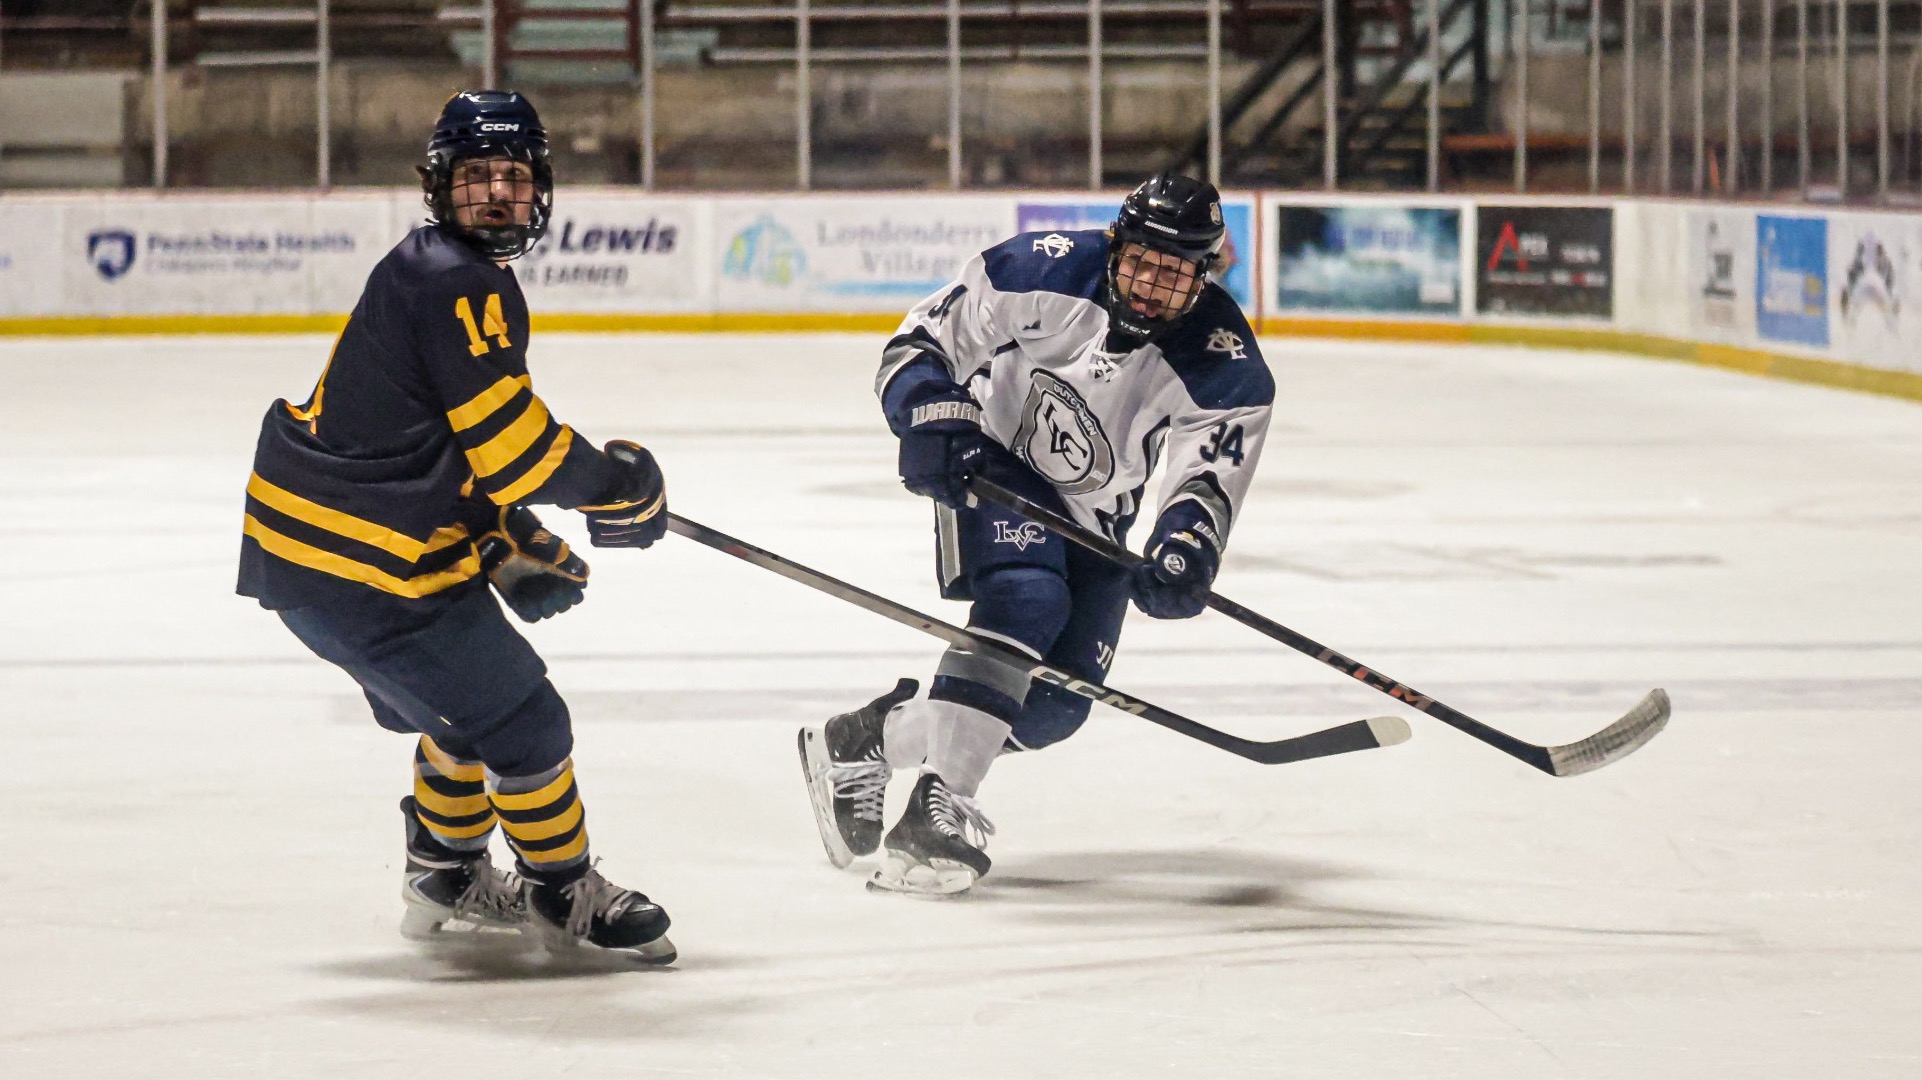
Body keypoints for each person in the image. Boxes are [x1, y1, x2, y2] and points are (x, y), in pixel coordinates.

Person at [237, 90, 676, 961]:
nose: (498, 194)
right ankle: (563, 891)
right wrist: (614, 486)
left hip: (333, 552)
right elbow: (512, 448)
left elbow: (432, 440)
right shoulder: (454, 279)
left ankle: (443, 871)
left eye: (513, 176)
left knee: (466, 715)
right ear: (440, 184)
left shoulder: (434, 266)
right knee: (528, 722)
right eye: (478, 176)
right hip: (365, 566)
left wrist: (490, 531)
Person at [798, 173, 1275, 896]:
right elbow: (921, 341)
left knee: (1054, 707)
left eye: (1175, 274)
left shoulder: (1227, 366)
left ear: (1204, 276)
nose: (1151, 286)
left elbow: (1205, 481)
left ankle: (866, 740)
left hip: (1098, 515)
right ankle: (934, 816)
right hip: (992, 462)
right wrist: (930, 415)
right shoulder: (1040, 269)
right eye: (1141, 263)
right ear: (1115, 245)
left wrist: (1185, 547)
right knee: (1027, 597)